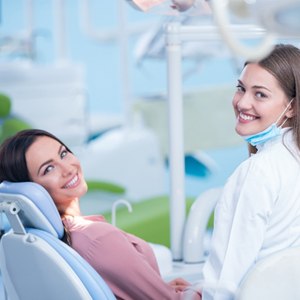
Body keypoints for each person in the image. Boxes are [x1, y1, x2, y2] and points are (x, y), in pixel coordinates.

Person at [0, 129, 201, 300]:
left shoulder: (43, 243)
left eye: (63, 154)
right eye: (48, 169)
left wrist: (157, 288)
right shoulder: (96, 239)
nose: (67, 168)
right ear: (33, 191)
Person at [199, 43, 300, 299]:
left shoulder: (258, 171)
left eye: (260, 95)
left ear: (291, 107)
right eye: (241, 89)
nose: (242, 103)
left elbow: (227, 281)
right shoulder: (290, 160)